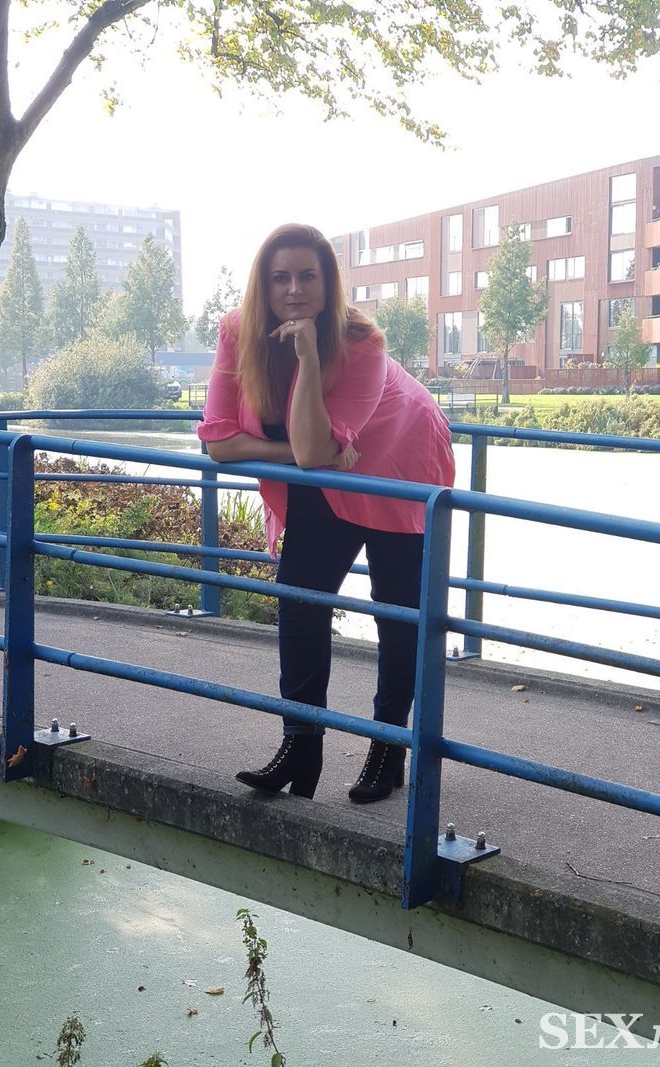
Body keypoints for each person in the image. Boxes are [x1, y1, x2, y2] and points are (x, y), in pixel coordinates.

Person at [198, 223, 455, 803]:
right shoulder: (238, 331)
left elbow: (313, 449)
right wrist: (299, 453)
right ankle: (300, 744)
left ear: (328, 281)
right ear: (262, 285)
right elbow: (219, 442)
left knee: (397, 611)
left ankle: (388, 748)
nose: (294, 289)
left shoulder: (361, 342)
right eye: (280, 277)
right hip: (332, 466)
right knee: (300, 600)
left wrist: (310, 357)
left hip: (401, 456)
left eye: (307, 276)